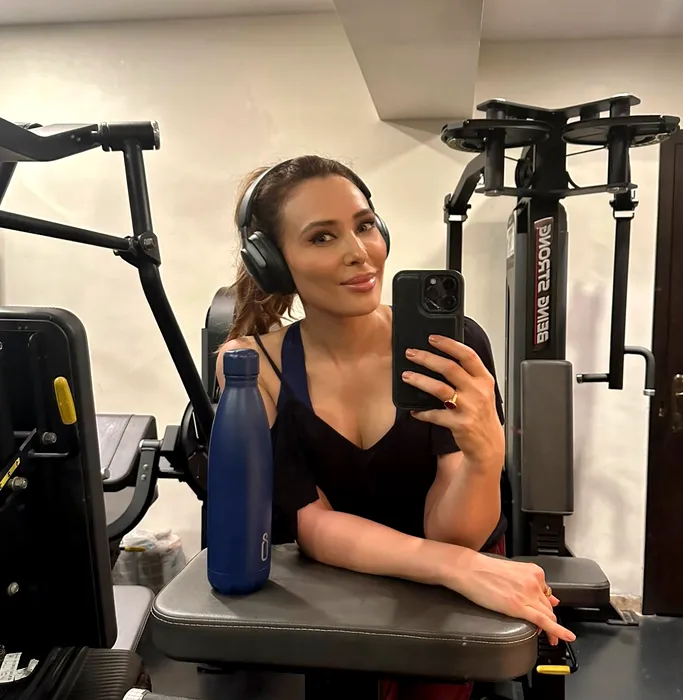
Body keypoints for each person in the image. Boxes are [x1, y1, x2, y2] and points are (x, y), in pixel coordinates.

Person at [217, 155, 575, 700]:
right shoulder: (253, 366)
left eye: (365, 225)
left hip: (453, 578)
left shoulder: (449, 346)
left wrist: (485, 457)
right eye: (321, 237)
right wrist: (453, 567)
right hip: (344, 587)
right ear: (272, 262)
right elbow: (311, 523)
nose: (359, 253)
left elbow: (455, 536)